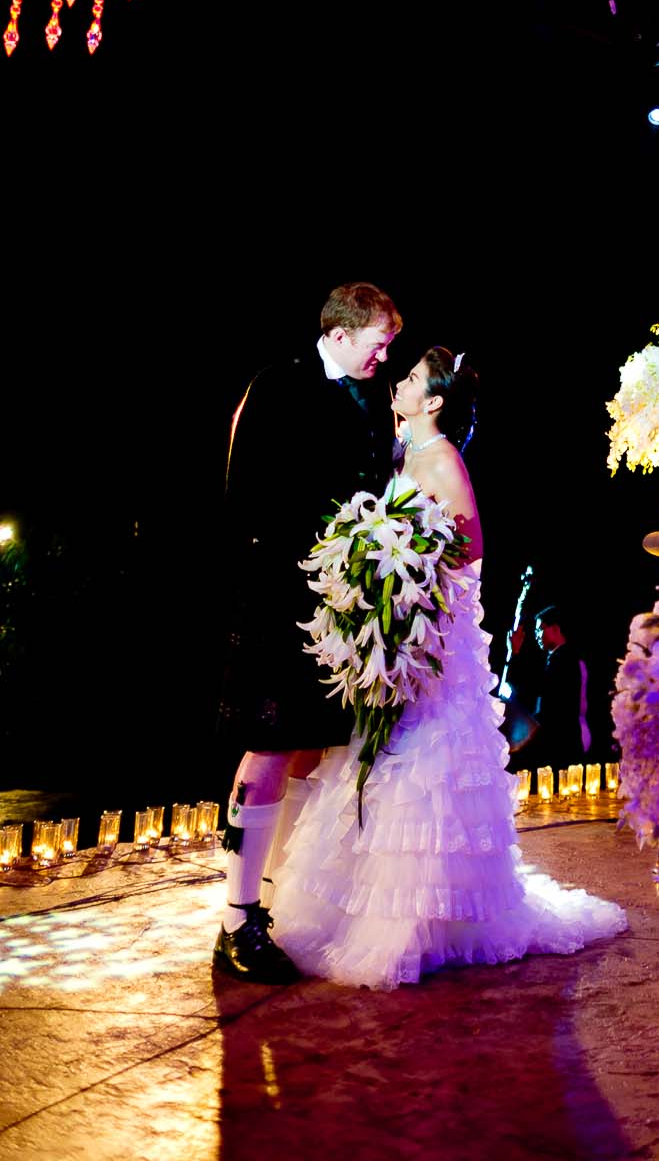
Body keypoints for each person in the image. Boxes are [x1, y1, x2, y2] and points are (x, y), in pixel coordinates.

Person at [268, 347, 627, 988]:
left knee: (422, 765)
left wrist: (413, 589)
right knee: (375, 758)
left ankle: (420, 922)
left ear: (433, 401)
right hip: (394, 633)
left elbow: (471, 550)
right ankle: (354, 906)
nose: (399, 382)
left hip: (430, 637)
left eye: (410, 379)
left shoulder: (442, 460)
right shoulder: (400, 452)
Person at [213, 281, 401, 982]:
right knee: (268, 749)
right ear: (340, 333)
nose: (384, 357)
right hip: (276, 599)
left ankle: (276, 902)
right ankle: (236, 920)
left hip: (339, 607)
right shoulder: (278, 388)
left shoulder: (370, 398)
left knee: (310, 751)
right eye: (378, 342)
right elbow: (247, 498)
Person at [530, 605, 592, 771]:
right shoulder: (561, 658)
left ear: (556, 629)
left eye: (540, 629)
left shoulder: (564, 660)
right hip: (564, 738)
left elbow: (552, 704)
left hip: (562, 740)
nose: (536, 636)